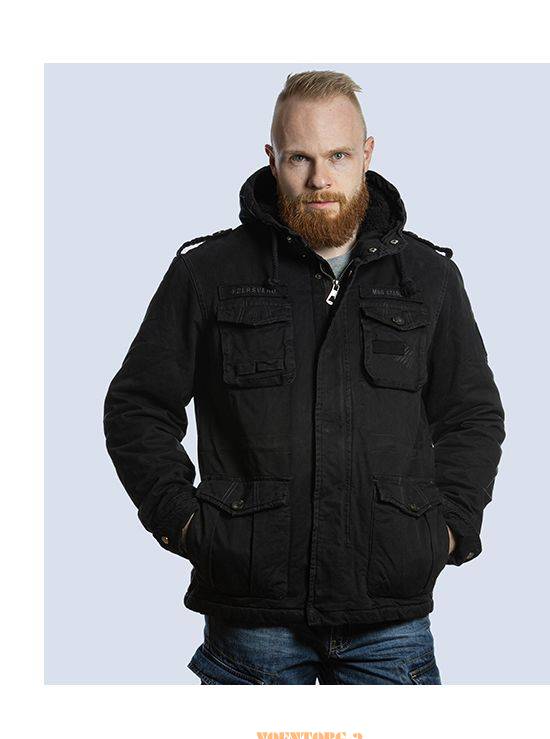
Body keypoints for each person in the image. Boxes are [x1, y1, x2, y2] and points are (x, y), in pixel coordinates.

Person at [103, 70, 506, 684]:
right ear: (273, 159)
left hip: (389, 618)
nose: (320, 179)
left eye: (338, 156)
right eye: (300, 158)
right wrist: (182, 521)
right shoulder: (208, 273)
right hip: (252, 615)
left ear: (367, 154)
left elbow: (472, 415)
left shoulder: (428, 278)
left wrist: (447, 529)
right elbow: (137, 407)